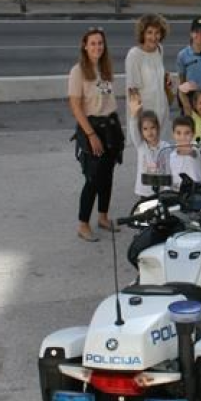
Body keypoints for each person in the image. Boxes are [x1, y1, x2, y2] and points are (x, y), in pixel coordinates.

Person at [68, 27, 125, 242]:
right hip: (92, 127)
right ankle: (83, 223)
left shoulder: (105, 68)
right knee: (92, 178)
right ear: (85, 45)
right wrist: (90, 134)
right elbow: (75, 106)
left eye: (100, 43)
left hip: (110, 125)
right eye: (93, 43)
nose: (97, 47)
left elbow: (108, 99)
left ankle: (103, 216)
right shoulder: (78, 71)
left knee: (107, 175)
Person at [125, 14, 172, 143]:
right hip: (146, 116)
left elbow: (157, 75)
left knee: (162, 153)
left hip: (162, 109)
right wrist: (140, 122)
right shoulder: (134, 55)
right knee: (148, 158)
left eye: (157, 33)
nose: (154, 37)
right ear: (142, 34)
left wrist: (165, 77)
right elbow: (133, 90)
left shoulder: (159, 50)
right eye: (149, 32)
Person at [127, 94, 171, 201]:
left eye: (152, 128)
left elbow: (169, 168)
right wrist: (133, 115)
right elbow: (133, 130)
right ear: (141, 131)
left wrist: (168, 187)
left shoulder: (166, 147)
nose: (149, 132)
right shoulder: (141, 146)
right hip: (144, 190)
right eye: (145, 129)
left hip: (161, 190)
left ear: (158, 128)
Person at [168, 115, 201, 187]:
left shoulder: (195, 147)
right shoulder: (171, 155)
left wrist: (181, 150)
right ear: (173, 134)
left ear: (193, 134)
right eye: (178, 133)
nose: (182, 137)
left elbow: (192, 152)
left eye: (187, 133)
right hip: (178, 191)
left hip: (195, 189)